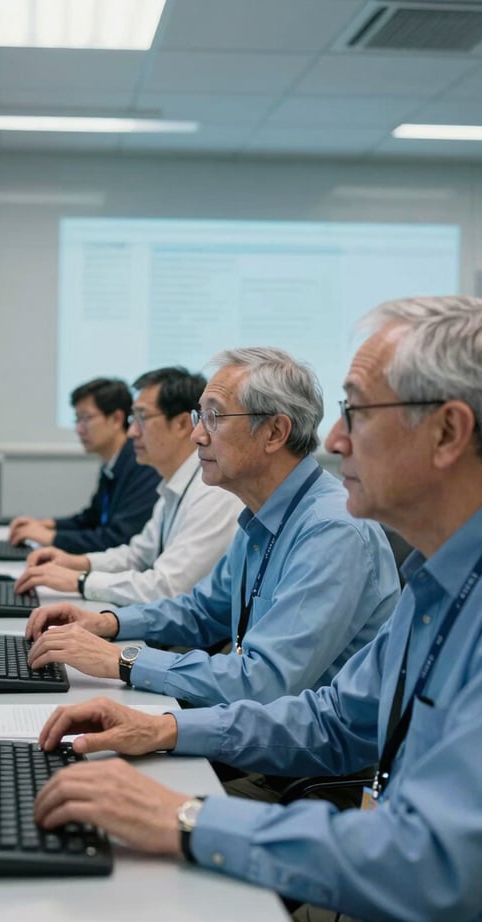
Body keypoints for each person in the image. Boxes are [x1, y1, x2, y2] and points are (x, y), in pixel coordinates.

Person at [32, 297, 482, 922]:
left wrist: (188, 817)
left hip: (341, 817)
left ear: (448, 433)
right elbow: (334, 720)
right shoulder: (435, 582)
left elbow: (430, 863)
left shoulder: (336, 533)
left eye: (358, 411)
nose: (335, 437)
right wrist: (164, 725)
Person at [26, 347, 399, 708]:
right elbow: (202, 611)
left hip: (293, 763)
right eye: (198, 417)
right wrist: (107, 622)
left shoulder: (329, 531)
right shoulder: (263, 514)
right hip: (250, 732)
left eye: (214, 418)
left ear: (274, 432)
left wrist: (123, 660)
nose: (197, 436)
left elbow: (261, 681)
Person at [14, 367, 241, 606]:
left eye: (142, 418)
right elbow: (137, 556)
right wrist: (80, 563)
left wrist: (81, 581)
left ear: (182, 424)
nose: (132, 432)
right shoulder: (173, 485)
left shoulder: (212, 492)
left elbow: (168, 587)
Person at [8, 377, 160, 553]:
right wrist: (47, 525)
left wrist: (50, 537)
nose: (79, 429)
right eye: (77, 420)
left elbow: (119, 538)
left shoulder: (140, 463)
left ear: (116, 419)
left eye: (86, 419)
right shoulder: (113, 462)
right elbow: (92, 518)